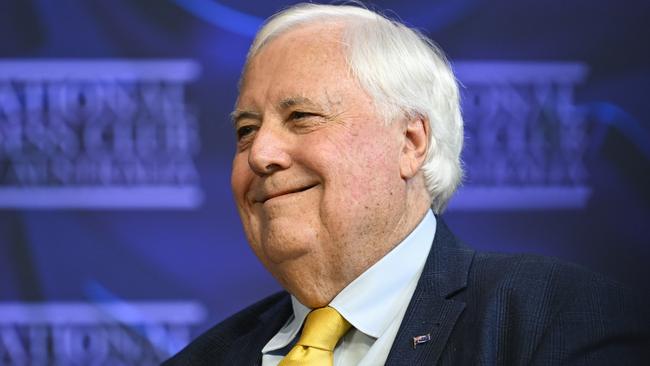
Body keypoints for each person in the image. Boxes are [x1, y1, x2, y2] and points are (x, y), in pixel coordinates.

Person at [164, 3, 649, 365]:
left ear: (411, 142)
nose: (261, 154)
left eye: (302, 117)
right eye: (245, 130)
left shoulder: (557, 323)